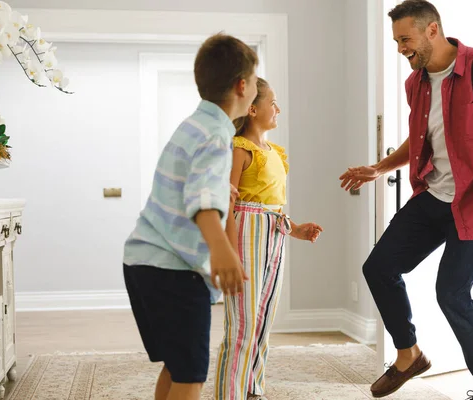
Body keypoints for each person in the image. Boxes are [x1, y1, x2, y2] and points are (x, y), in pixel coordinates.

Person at [339, 1, 473, 399]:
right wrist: (380, 168)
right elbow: (422, 138)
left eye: (406, 39)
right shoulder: (415, 83)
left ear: (432, 30)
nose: (401, 47)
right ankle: (409, 355)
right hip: (433, 196)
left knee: (451, 294)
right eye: (397, 40)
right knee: (379, 268)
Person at [122, 33, 259, 400]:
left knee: (177, 365)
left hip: (142, 262)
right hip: (173, 271)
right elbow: (202, 201)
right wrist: (223, 251)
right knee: (191, 376)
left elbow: (191, 190)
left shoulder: (191, 125)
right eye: (254, 84)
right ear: (242, 85)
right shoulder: (217, 135)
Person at [215, 77, 323, 400]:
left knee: (262, 321)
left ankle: (252, 389)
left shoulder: (274, 152)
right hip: (245, 232)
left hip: (273, 234)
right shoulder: (239, 150)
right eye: (272, 102)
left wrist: (297, 229)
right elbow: (229, 202)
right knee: (243, 323)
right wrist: (230, 253)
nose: (278, 108)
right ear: (251, 109)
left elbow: (270, 205)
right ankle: (229, 394)